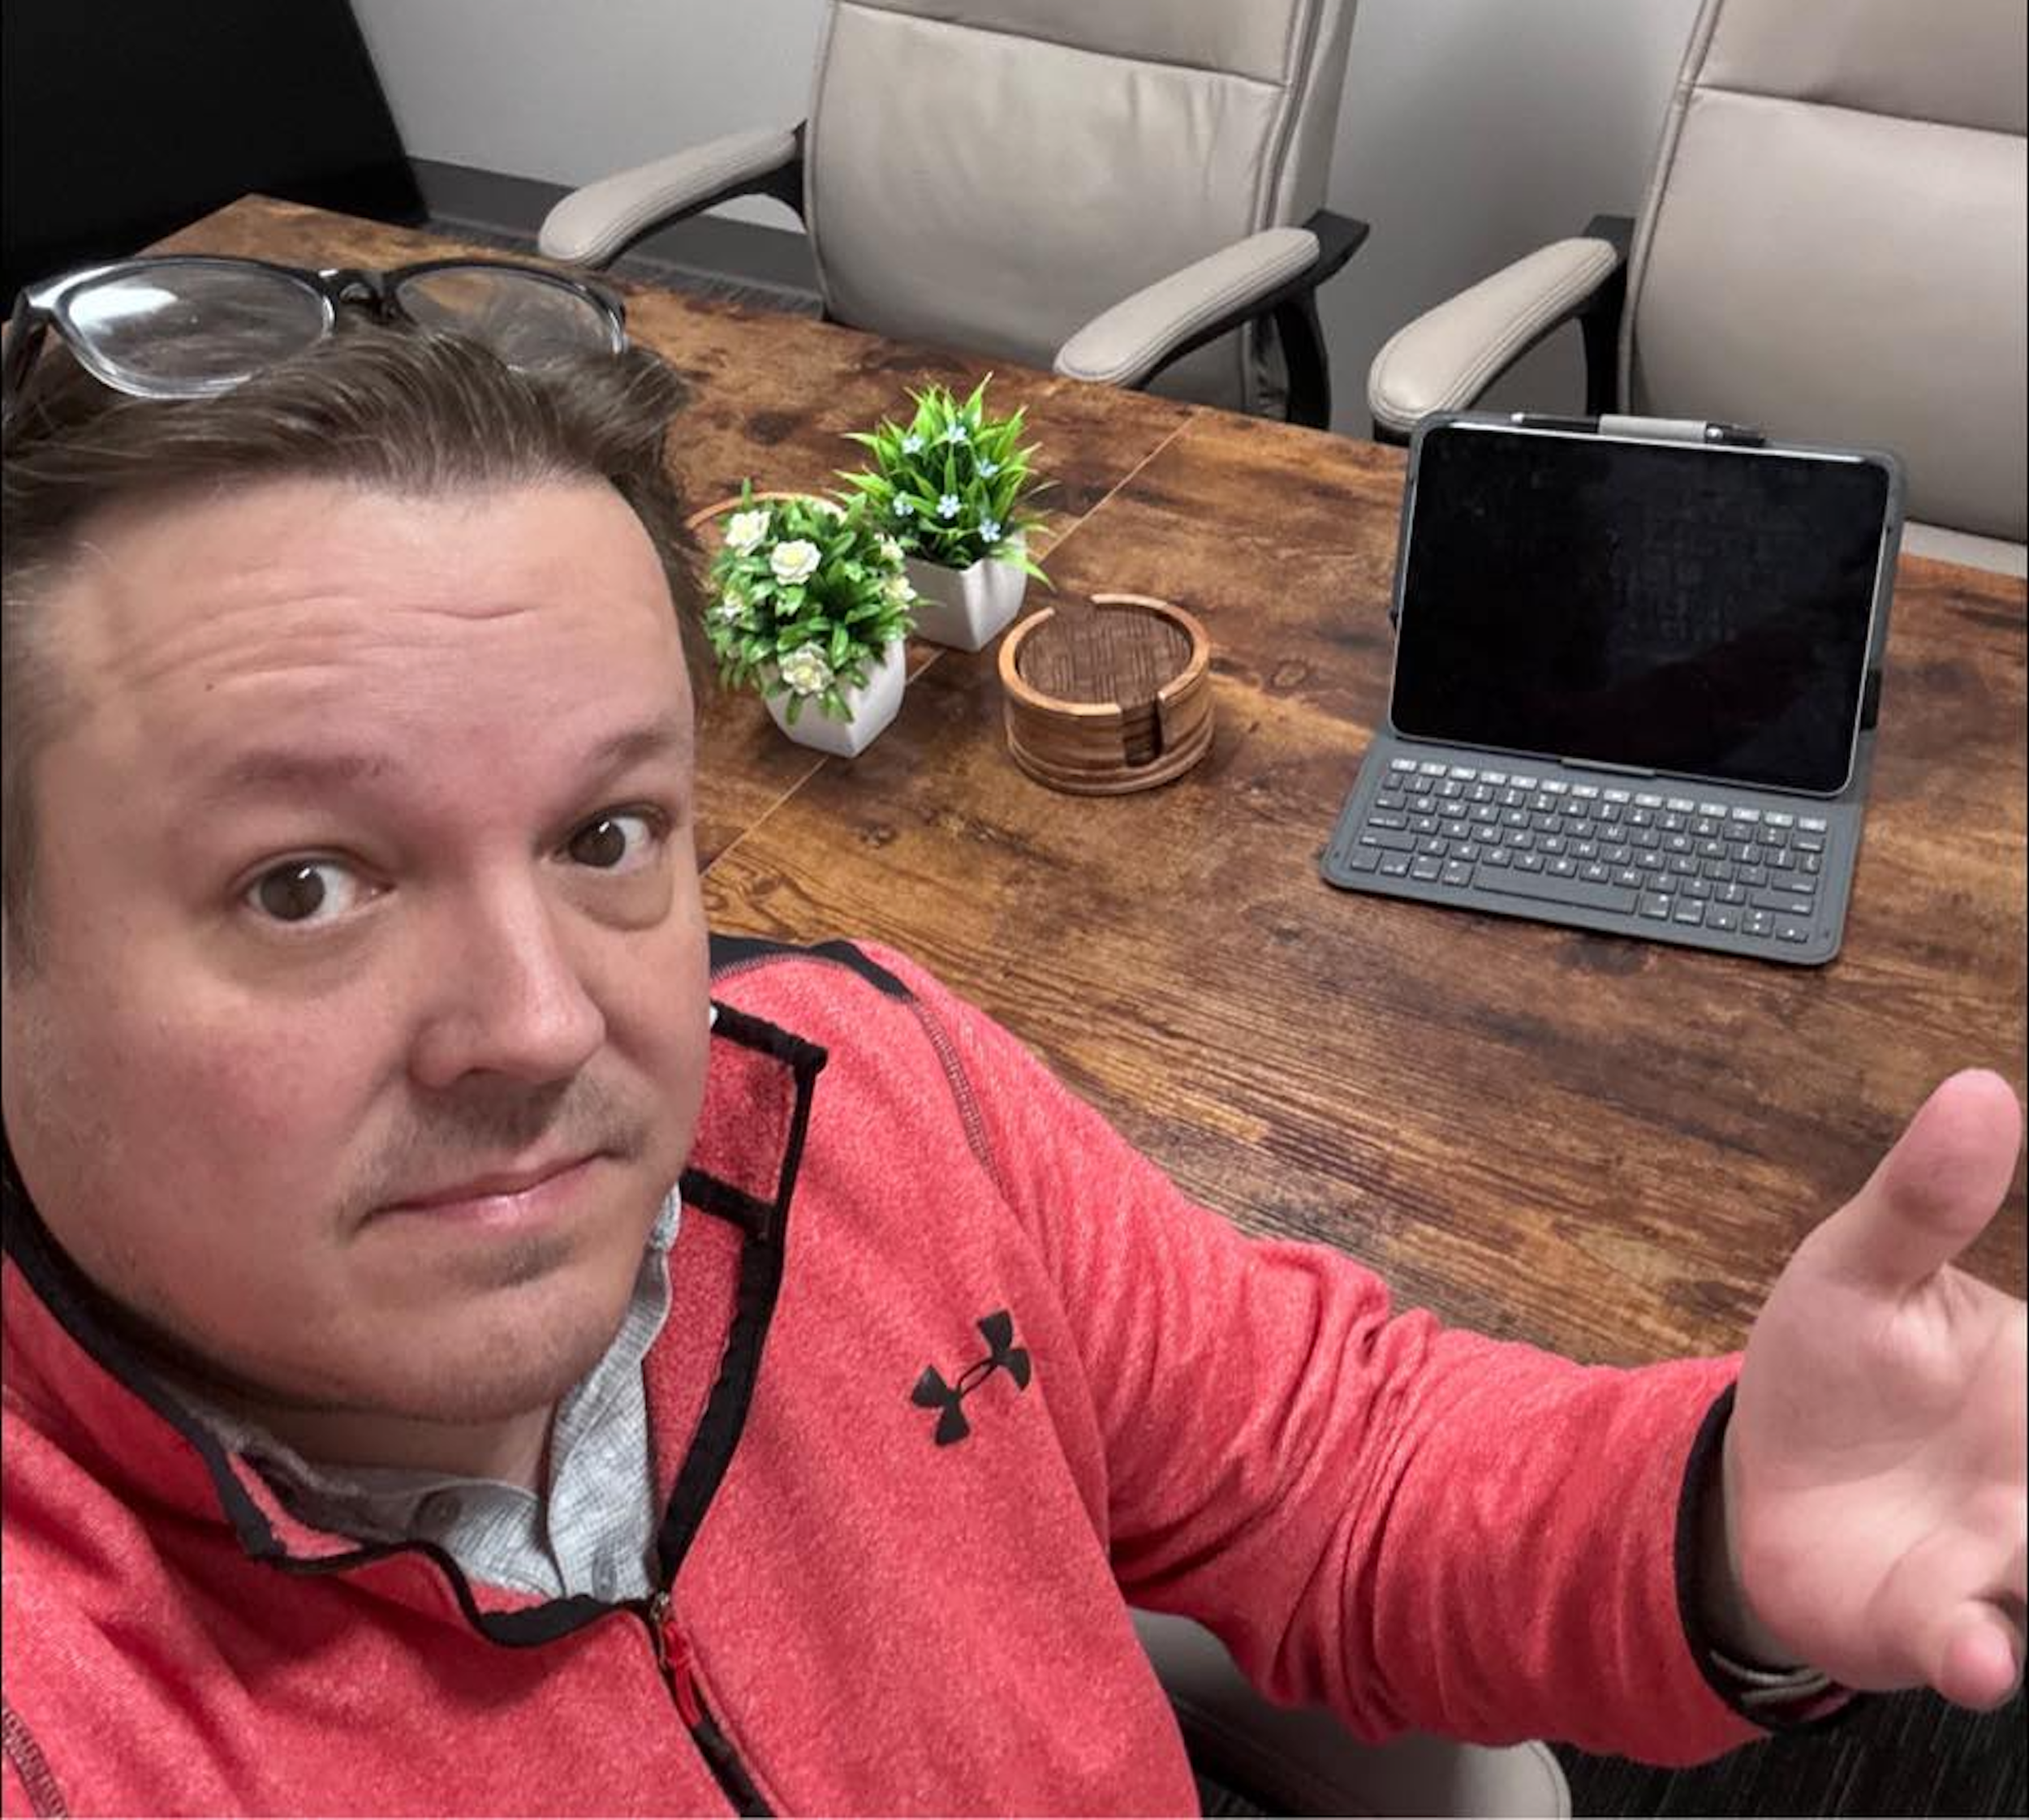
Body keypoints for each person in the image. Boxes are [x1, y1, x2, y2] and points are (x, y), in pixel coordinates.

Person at [1, 261, 2023, 1817]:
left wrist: (1717, 1508)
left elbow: (1331, 1457)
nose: (540, 1024)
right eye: (306, 884)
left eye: (605, 832)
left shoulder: (868, 1098)